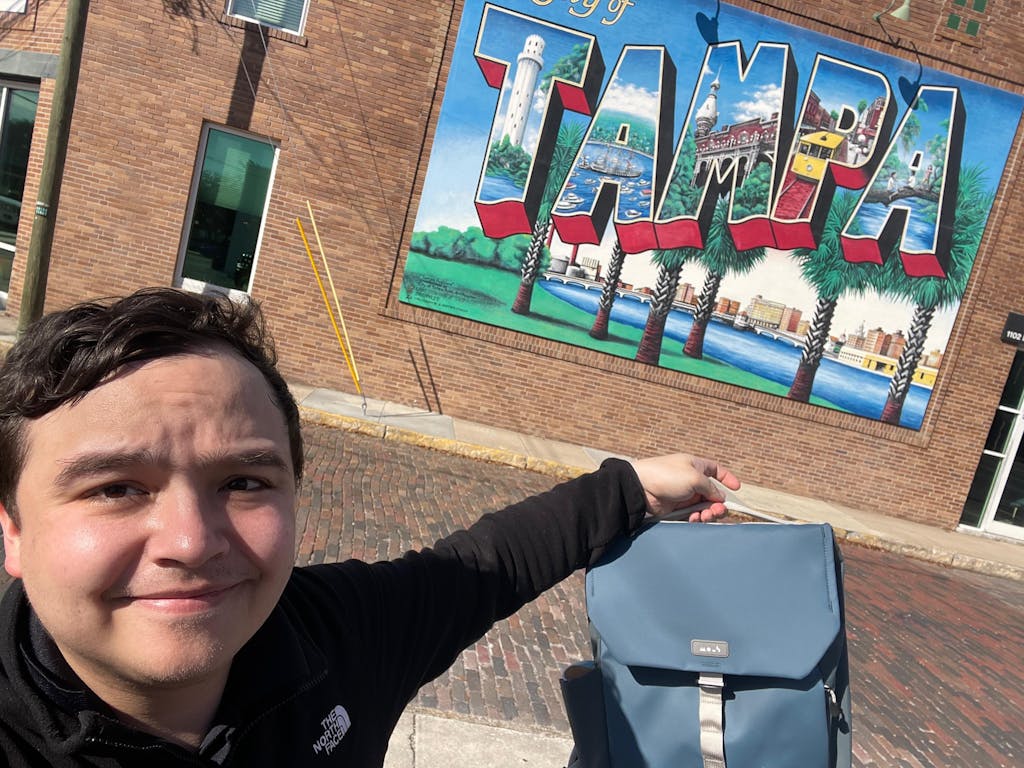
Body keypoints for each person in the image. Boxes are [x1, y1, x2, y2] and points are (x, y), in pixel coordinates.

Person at [0, 288, 740, 767]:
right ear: (13, 530)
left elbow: (485, 567)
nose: (191, 541)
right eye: (116, 489)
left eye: (244, 482)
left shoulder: (335, 638)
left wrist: (631, 488)